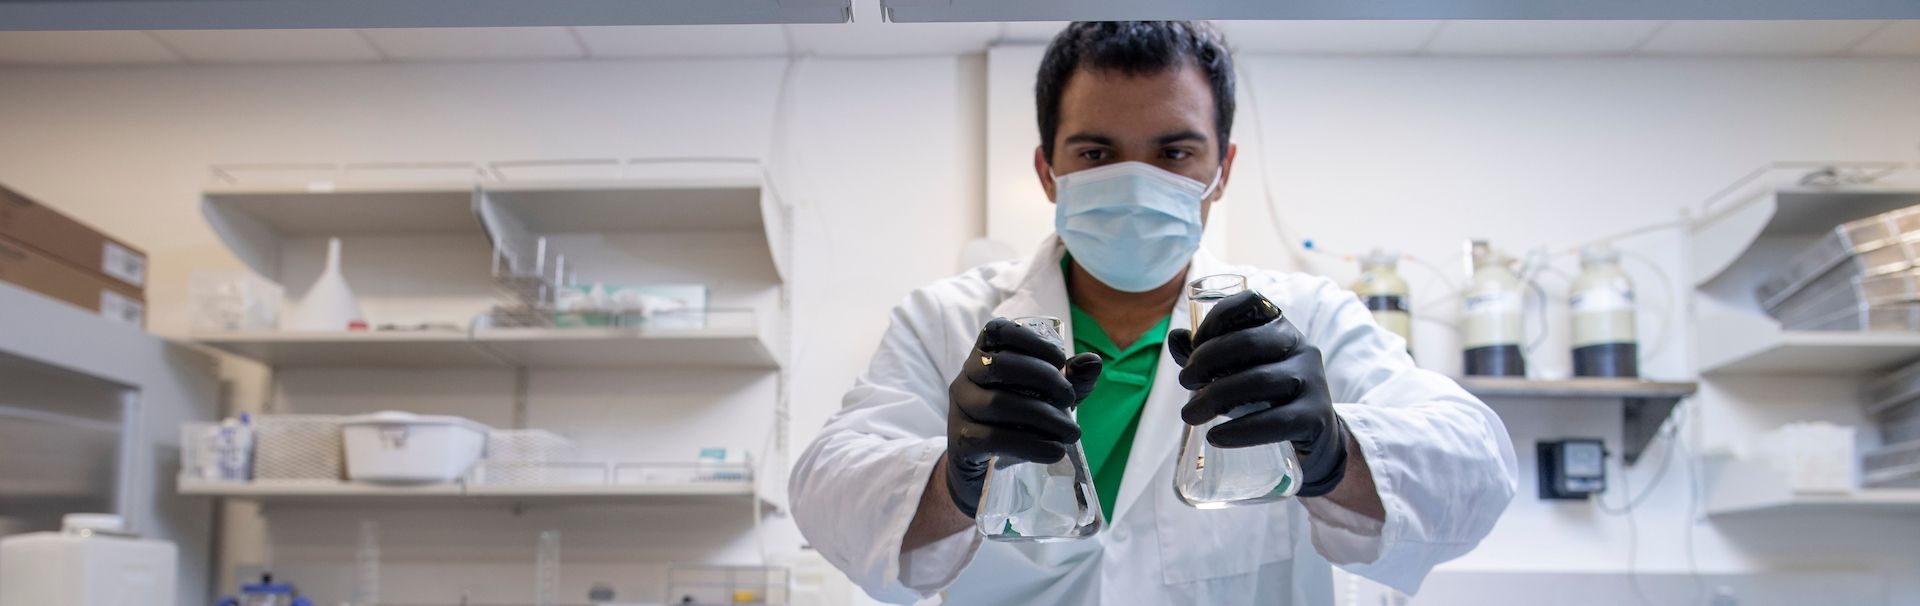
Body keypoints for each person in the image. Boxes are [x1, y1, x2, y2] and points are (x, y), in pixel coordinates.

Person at [790, 21, 1517, 605]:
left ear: (1221, 171)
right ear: (1047, 171)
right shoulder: (944, 321)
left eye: (1173, 153)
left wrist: (1335, 451)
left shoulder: (1307, 316)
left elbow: (1477, 463)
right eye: (1096, 153)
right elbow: (826, 488)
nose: (1135, 183)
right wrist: (952, 479)